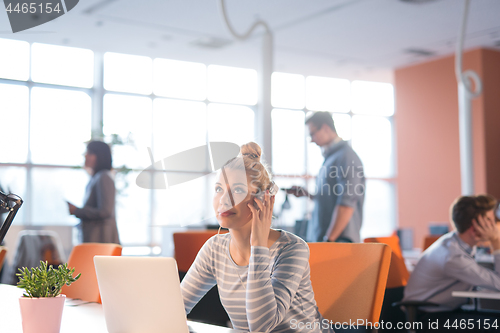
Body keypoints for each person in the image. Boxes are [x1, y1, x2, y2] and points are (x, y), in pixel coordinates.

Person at [180, 142, 332, 333]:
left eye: (237, 190)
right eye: (219, 189)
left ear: (263, 198)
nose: (224, 200)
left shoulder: (292, 249)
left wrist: (258, 245)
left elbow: (261, 327)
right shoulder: (214, 249)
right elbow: (176, 307)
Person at [403, 194, 500, 331]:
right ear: (475, 225)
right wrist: (496, 242)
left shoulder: (453, 242)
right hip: (430, 318)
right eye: (489, 221)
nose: (494, 225)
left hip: (445, 312)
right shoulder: (453, 258)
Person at [287, 111, 365, 243]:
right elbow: (330, 199)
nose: (311, 140)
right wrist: (307, 194)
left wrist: (329, 240)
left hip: (339, 242)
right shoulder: (331, 158)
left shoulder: (346, 157)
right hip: (328, 240)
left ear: (325, 128)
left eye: (312, 134)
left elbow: (347, 203)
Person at [67, 141, 120, 244]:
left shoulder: (104, 177)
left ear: (99, 156)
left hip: (102, 241)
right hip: (96, 240)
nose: (85, 156)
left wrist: (77, 211)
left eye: (90, 153)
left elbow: (105, 211)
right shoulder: (96, 178)